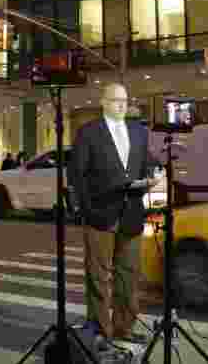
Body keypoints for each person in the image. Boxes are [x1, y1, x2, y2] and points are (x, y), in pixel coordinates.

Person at [70, 82, 155, 348]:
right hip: (100, 214)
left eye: (125, 100)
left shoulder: (139, 132)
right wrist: (87, 209)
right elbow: (77, 176)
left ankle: (124, 328)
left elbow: (146, 162)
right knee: (98, 276)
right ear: (104, 102)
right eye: (116, 100)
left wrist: (154, 175)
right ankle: (100, 330)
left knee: (128, 275)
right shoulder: (88, 132)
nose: (122, 105)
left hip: (131, 213)